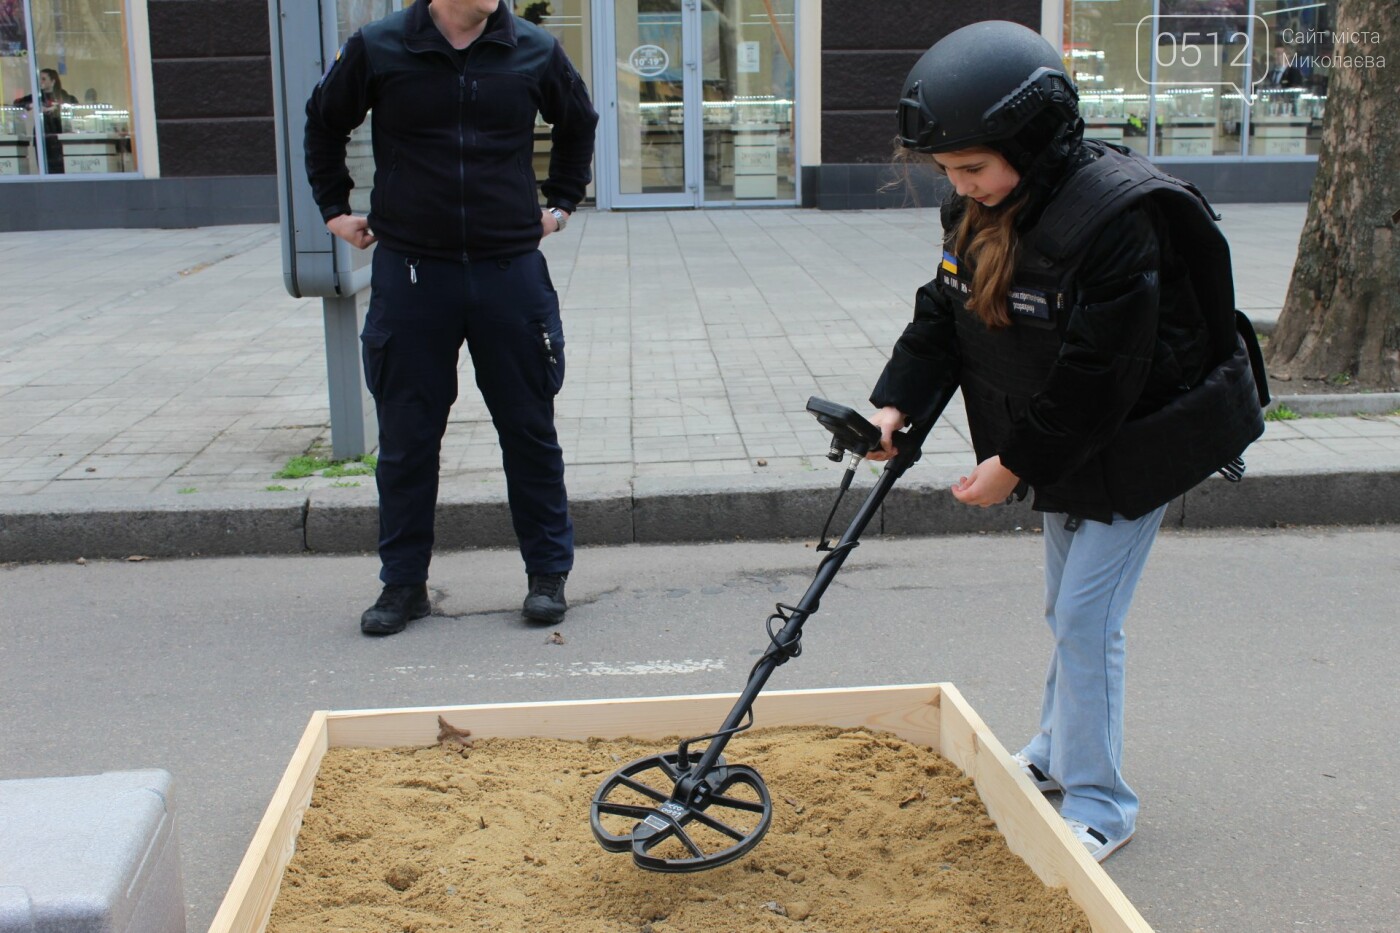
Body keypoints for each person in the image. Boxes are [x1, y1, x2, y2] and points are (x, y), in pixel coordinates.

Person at [867, 21, 1265, 861]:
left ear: (1032, 141)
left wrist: (1013, 466)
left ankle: (1101, 802)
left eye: (972, 167)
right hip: (1059, 442)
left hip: (1136, 443)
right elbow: (945, 311)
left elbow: (1100, 376)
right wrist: (895, 403)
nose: (961, 186)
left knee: (1086, 618)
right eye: (949, 171)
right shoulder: (984, 209)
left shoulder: (1119, 221)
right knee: (1067, 607)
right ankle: (1053, 753)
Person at [304, 0, 598, 636]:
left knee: (529, 431)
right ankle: (402, 585)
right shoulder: (379, 47)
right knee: (407, 442)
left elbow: (579, 123)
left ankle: (548, 576)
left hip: (508, 274)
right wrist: (334, 207)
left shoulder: (533, 49)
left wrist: (562, 204)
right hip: (412, 274)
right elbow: (323, 123)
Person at [13, 68, 77, 173]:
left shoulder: (63, 95)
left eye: (43, 79)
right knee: (44, 168)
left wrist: (58, 108)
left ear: (52, 81)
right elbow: (17, 103)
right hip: (42, 137)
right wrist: (31, 105)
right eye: (40, 79)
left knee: (61, 168)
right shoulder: (37, 96)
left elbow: (74, 104)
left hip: (59, 137)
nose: (40, 82)